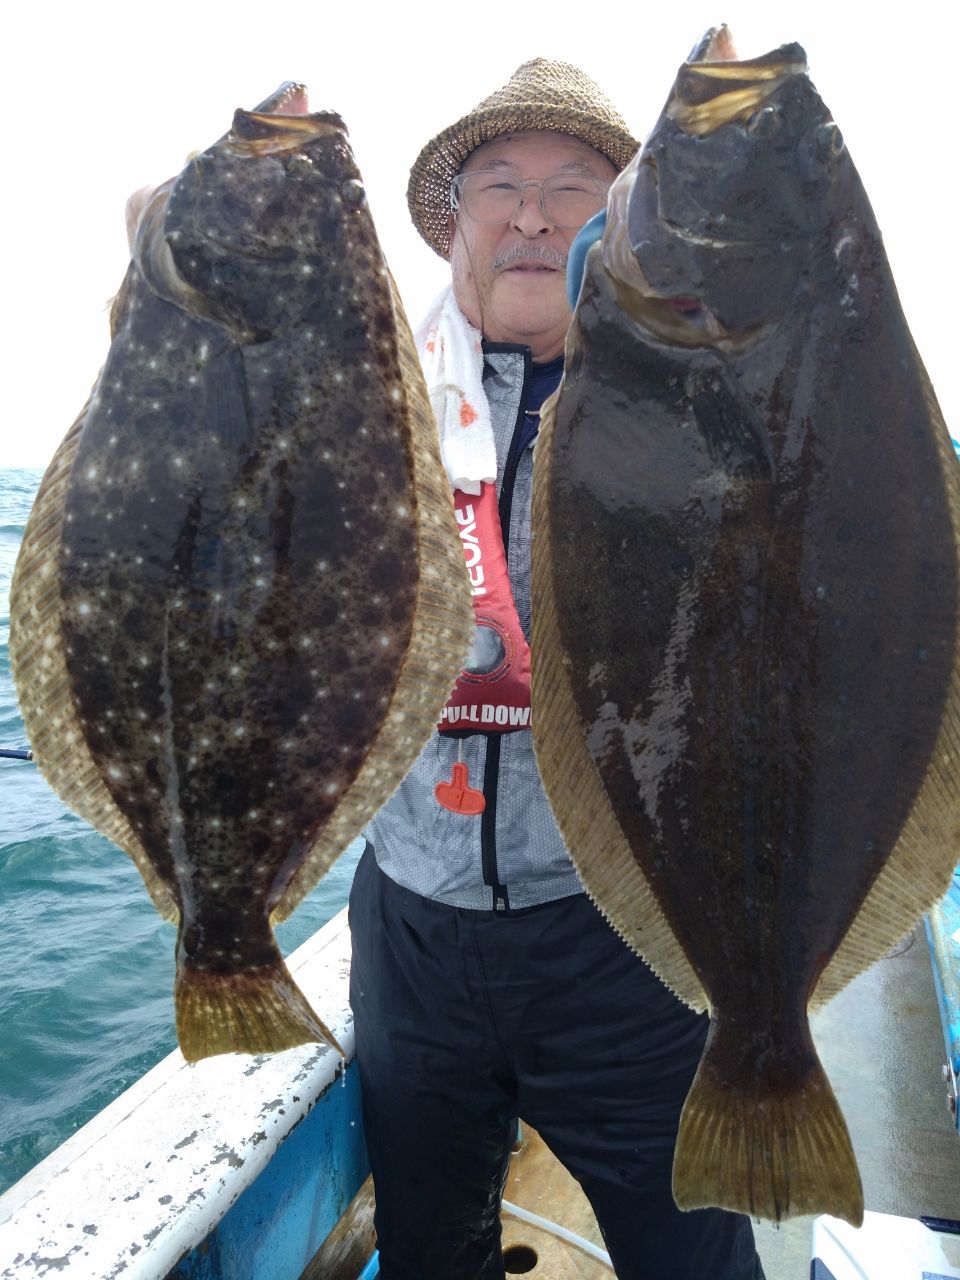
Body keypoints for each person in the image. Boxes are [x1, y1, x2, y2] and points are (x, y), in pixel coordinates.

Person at [348, 59, 766, 1280]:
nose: (531, 215)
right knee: (429, 1252)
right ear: (455, 224)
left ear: (621, 228)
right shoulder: (368, 394)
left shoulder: (685, 393)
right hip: (409, 928)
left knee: (695, 1256)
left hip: (624, 930)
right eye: (499, 186)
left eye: (574, 188)